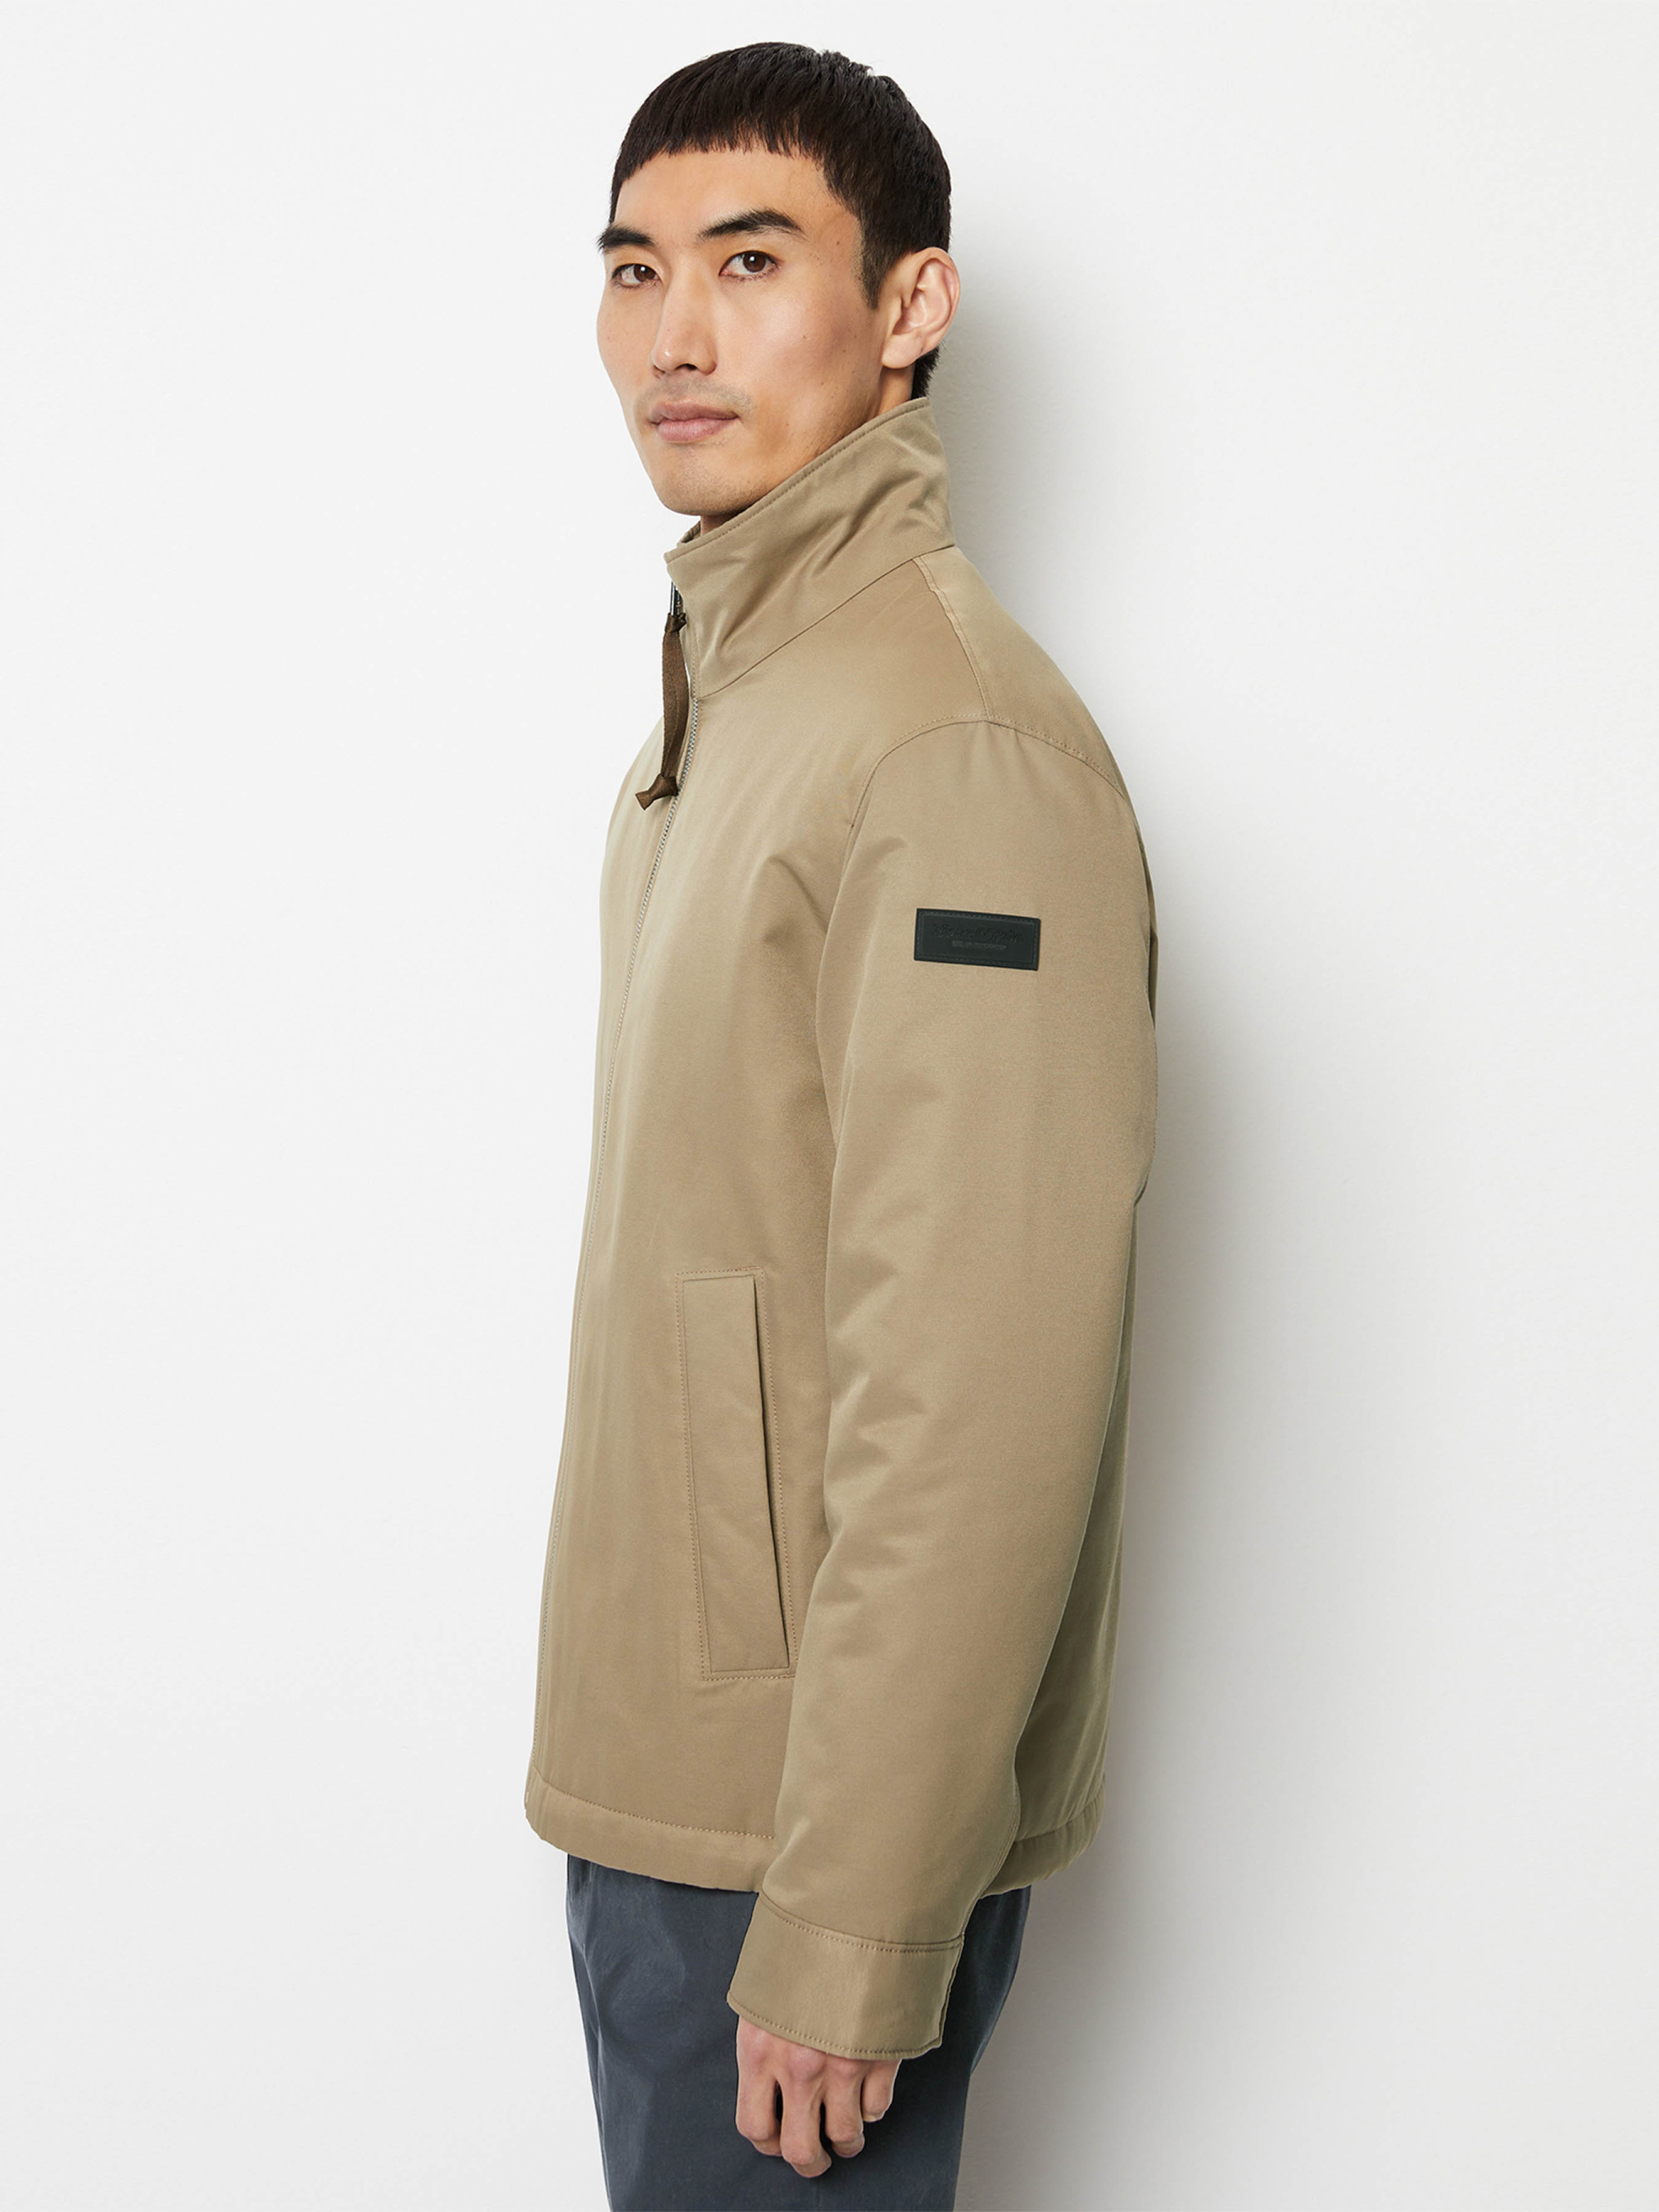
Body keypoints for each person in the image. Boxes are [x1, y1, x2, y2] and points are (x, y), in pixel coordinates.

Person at [525, 43, 1158, 2210]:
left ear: (909, 307)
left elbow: (978, 1380)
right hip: (682, 1797)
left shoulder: (952, 751)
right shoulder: (738, 713)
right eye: (633, 270)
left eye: (749, 259)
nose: (674, 335)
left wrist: (859, 1914)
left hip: (797, 1847)